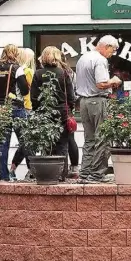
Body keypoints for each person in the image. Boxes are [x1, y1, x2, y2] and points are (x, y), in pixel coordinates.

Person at [75, 35, 122, 184]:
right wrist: (114, 81)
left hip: (83, 102)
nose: (112, 54)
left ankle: (85, 173)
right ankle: (96, 175)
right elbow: (101, 84)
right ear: (106, 46)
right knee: (103, 139)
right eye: (112, 50)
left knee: (89, 139)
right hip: (98, 101)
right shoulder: (100, 60)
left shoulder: (83, 58)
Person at [30, 46, 76, 181]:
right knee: (63, 144)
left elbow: (34, 97)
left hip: (44, 111)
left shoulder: (38, 74)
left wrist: (38, 111)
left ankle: (48, 173)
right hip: (62, 111)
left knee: (47, 142)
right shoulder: (64, 73)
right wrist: (70, 110)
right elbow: (71, 96)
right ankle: (62, 175)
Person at [0, 44, 30, 181]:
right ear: (15, 54)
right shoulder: (17, 69)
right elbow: (25, 91)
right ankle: (33, 172)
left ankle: (3, 175)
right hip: (16, 106)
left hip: (0, 107)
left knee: (3, 143)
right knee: (25, 141)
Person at [8, 48, 37, 181]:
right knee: (28, 141)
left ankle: (13, 168)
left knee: (24, 142)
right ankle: (32, 170)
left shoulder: (16, 71)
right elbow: (31, 91)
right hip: (27, 108)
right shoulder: (28, 72)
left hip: (17, 106)